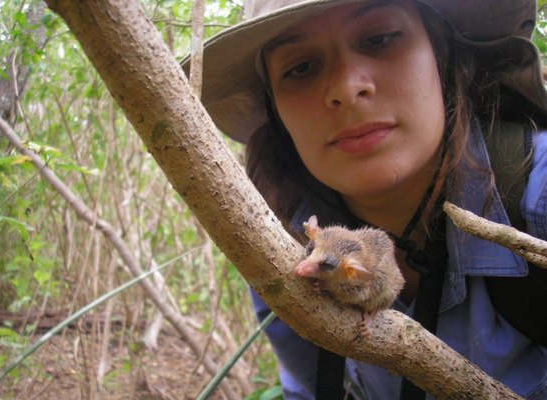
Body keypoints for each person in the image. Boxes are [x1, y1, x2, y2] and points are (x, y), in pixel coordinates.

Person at [184, 0, 547, 398]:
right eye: (300, 67)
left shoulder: (537, 195)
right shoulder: (279, 245)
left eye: (380, 38)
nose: (345, 87)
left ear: (442, 54)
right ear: (276, 110)